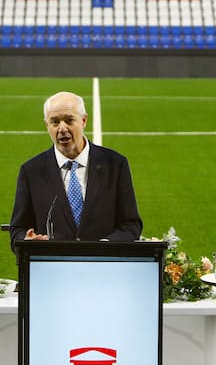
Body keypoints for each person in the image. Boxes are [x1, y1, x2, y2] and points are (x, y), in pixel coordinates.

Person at [9, 91, 142, 250]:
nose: (62, 128)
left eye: (69, 120)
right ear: (47, 125)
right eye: (55, 122)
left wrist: (105, 248)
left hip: (103, 267)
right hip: (52, 268)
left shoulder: (115, 164)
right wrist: (26, 241)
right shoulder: (31, 171)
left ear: (84, 120)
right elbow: (17, 229)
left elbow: (131, 224)